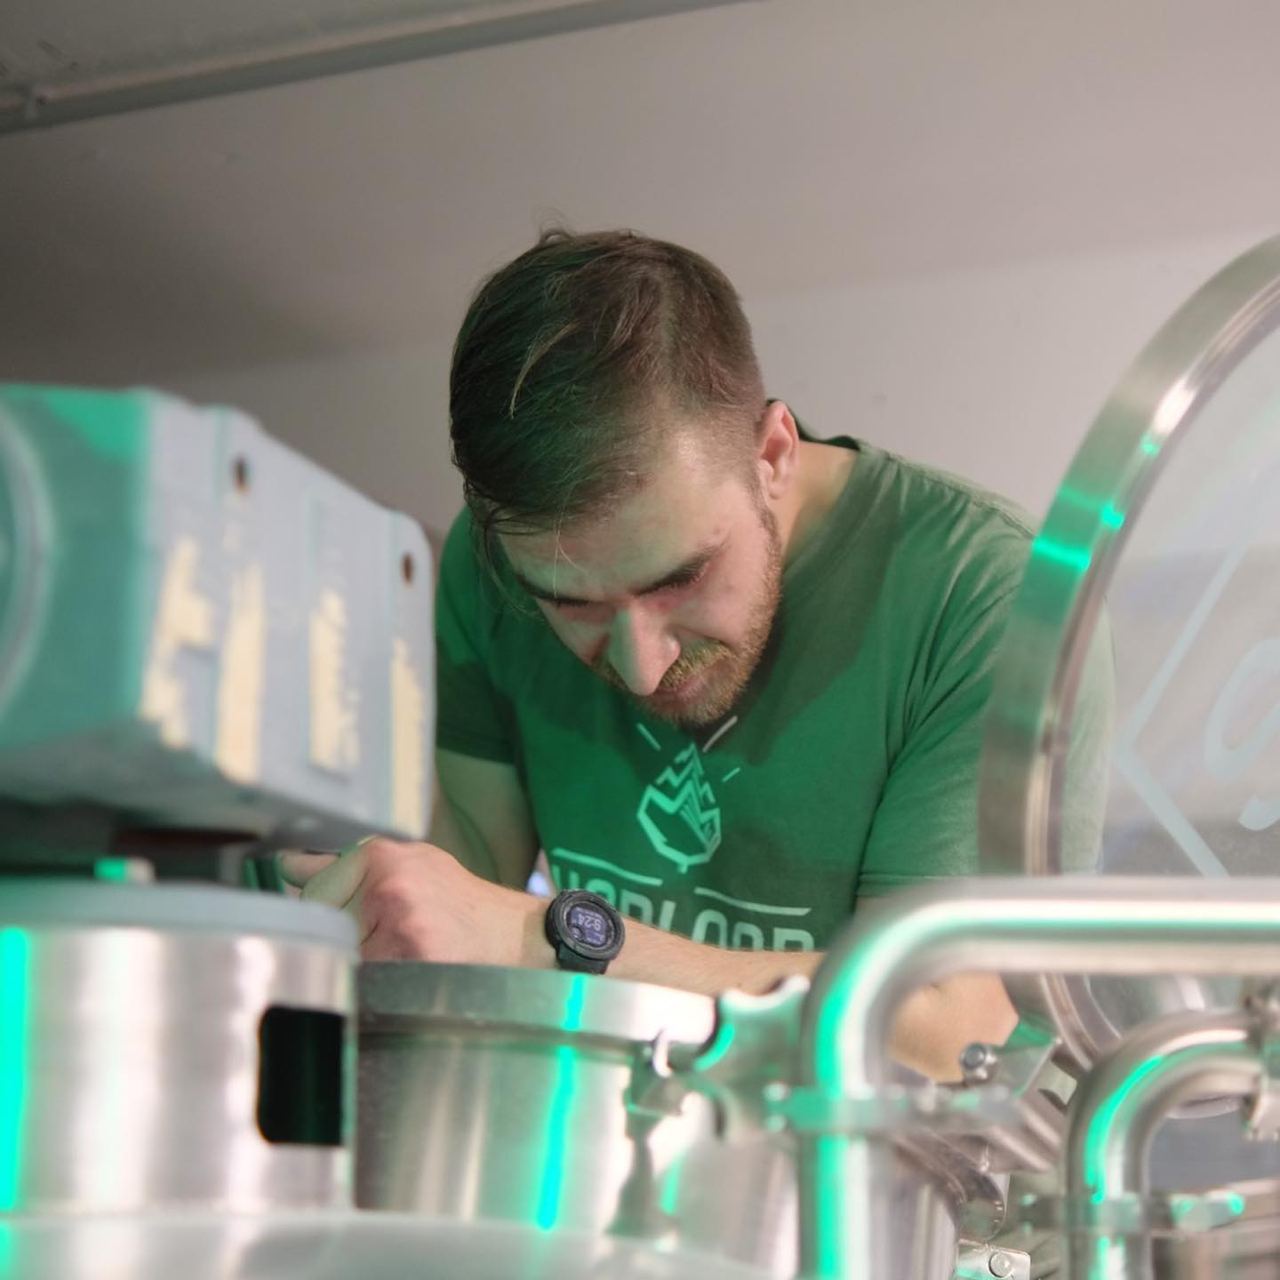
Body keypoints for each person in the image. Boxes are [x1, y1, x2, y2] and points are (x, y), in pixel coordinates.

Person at [282, 228, 1041, 1080]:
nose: (640, 668)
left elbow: (943, 1032)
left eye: (679, 578)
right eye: (570, 604)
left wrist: (544, 935)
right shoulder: (484, 568)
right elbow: (458, 900)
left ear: (772, 455)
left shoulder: (983, 590)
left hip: (889, 1179)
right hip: (607, 1143)